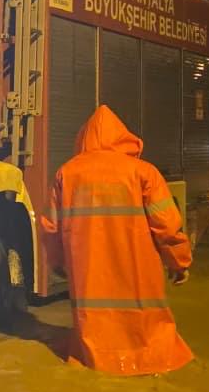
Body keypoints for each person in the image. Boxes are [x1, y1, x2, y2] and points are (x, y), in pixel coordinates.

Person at [39, 105, 194, 375]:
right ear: (123, 137)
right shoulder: (145, 173)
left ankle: (98, 361)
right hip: (137, 274)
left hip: (89, 281)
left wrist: (56, 263)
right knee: (149, 343)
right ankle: (144, 364)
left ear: (83, 137)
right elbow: (167, 227)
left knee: (92, 348)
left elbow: (50, 227)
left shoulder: (67, 173)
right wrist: (179, 263)